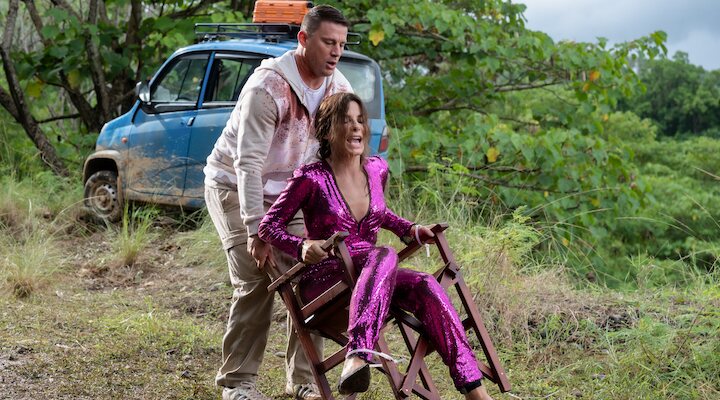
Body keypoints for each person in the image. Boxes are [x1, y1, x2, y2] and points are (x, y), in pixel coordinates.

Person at [258, 93, 495, 400]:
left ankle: (476, 392)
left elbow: (380, 213)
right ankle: (358, 352)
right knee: (384, 253)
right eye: (346, 121)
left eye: (360, 120)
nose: (356, 128)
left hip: (373, 276)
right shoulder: (310, 178)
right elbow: (268, 227)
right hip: (328, 281)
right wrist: (301, 246)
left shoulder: (376, 169)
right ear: (328, 130)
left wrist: (409, 228)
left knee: (424, 284)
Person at [203, 5, 353, 400]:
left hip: (289, 196)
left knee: (313, 273)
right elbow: (246, 163)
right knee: (256, 278)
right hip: (234, 186)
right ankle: (237, 385)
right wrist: (257, 229)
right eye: (327, 42)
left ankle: (305, 381)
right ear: (303, 40)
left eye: (341, 44)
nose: (335, 52)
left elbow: (339, 159)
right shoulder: (268, 87)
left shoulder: (339, 90)